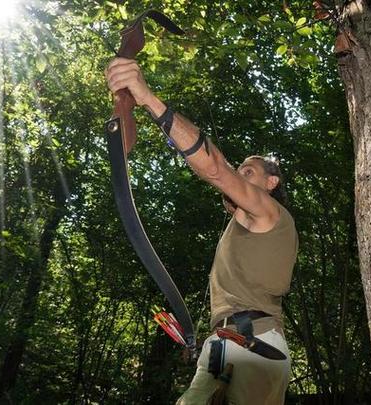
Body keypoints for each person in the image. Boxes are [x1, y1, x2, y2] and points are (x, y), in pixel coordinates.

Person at [106, 58, 298, 404]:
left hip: (258, 343)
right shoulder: (240, 224)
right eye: (239, 169)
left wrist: (147, 97)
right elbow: (215, 166)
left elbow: (216, 169)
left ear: (272, 182)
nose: (240, 175)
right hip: (221, 343)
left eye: (249, 172)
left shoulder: (272, 214)